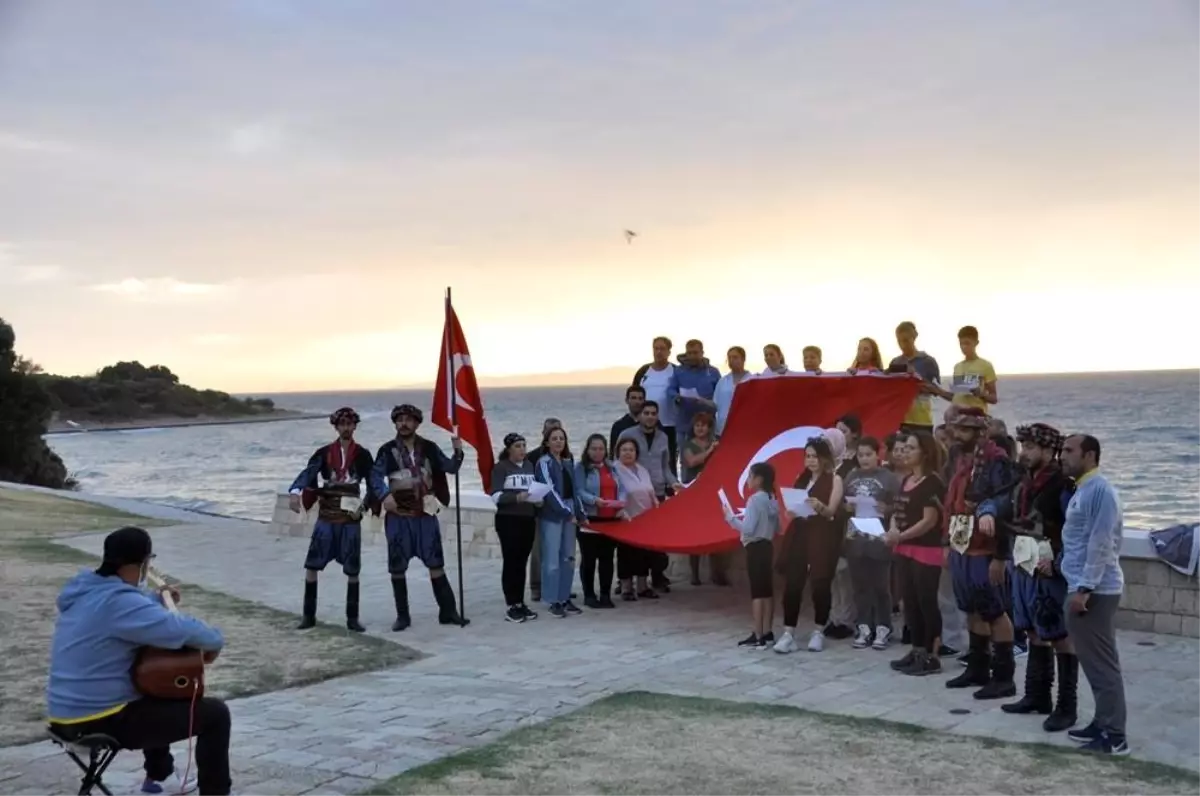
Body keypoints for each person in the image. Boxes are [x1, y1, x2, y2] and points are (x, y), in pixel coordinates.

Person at [47, 527, 230, 796]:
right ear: (143, 564)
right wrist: (215, 637)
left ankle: (159, 777)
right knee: (215, 714)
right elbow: (187, 632)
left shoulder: (86, 589)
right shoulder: (121, 605)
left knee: (155, 692)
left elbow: (126, 606)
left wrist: (155, 598)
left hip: (63, 715)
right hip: (99, 719)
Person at [1001, 423, 1076, 731]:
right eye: (1023, 446)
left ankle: (1066, 706)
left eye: (1031, 447)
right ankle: (1036, 695)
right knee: (1031, 629)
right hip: (1023, 561)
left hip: (1049, 566)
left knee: (1058, 634)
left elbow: (1075, 530)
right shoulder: (1023, 481)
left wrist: (1059, 563)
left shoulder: (1062, 486)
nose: (1025, 452)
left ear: (1048, 450)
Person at [943, 407, 1021, 699]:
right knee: (972, 608)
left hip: (985, 547)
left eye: (964, 430)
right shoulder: (961, 460)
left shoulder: (997, 463)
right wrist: (946, 543)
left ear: (980, 431)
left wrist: (1000, 556)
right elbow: (951, 504)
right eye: (956, 429)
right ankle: (978, 667)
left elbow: (1006, 509)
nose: (956, 435)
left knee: (994, 611)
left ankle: (1004, 677)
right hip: (962, 543)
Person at [1059, 434, 1129, 756]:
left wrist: (1084, 589)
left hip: (1094, 591)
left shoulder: (1100, 491)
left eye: (1069, 451)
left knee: (1103, 666)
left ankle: (1115, 737)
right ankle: (1101, 723)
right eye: (1062, 450)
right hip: (1082, 587)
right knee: (1094, 663)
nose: (1062, 456)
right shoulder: (1083, 490)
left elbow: (1101, 543)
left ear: (1089, 455)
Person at [288, 407, 382, 632]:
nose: (346, 428)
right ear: (336, 426)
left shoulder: (363, 455)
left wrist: (365, 506)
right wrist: (295, 490)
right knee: (312, 565)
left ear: (355, 426)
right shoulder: (323, 453)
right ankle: (308, 616)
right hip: (327, 517)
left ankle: (352, 618)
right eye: (342, 424)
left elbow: (374, 483)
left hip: (350, 518)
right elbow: (309, 473)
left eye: (350, 424)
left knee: (353, 569)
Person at [373, 404, 467, 631]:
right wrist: (385, 495)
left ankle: (448, 612)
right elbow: (375, 476)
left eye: (408, 420)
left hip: (424, 515)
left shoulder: (429, 447)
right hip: (398, 515)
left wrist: (458, 450)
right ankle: (403, 616)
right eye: (400, 420)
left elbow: (450, 468)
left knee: (436, 563)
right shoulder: (387, 450)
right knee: (397, 567)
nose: (403, 424)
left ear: (416, 423)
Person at [775, 437, 845, 654]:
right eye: (808, 456)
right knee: (792, 584)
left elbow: (832, 511)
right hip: (799, 533)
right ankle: (788, 633)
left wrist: (820, 506)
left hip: (822, 534)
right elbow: (794, 506)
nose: (811, 460)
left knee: (820, 583)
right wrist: (792, 510)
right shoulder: (801, 478)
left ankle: (818, 630)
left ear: (825, 458)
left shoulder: (834, 479)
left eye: (815, 456)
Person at [886, 433, 947, 676]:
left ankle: (932, 654)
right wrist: (892, 529)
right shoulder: (907, 480)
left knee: (926, 602)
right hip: (904, 549)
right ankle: (917, 649)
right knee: (909, 602)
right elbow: (897, 509)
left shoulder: (932, 483)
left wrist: (900, 536)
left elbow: (929, 521)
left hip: (925, 550)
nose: (906, 452)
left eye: (911, 448)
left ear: (925, 452)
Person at [842, 436, 901, 650]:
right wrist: (846, 508)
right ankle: (864, 626)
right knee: (860, 585)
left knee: (880, 585)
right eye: (861, 455)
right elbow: (843, 503)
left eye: (869, 454)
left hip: (879, 537)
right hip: (855, 536)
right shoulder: (851, 476)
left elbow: (900, 507)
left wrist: (888, 510)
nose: (864, 459)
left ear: (878, 455)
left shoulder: (889, 478)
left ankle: (883, 626)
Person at [617, 400, 680, 592]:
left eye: (654, 413)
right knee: (628, 543)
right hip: (631, 497)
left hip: (657, 494)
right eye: (647, 413)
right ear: (640, 415)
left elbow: (666, 467)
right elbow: (617, 461)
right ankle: (625, 581)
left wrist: (674, 483)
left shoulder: (662, 437)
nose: (650, 416)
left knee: (655, 542)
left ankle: (657, 577)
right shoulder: (627, 435)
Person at [724, 462, 780, 649]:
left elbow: (748, 529)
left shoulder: (754, 500)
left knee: (757, 592)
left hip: (755, 548)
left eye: (750, 476)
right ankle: (767, 631)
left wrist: (731, 519)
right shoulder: (773, 499)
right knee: (767, 591)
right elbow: (778, 527)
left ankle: (758, 635)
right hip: (768, 546)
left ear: (759, 479)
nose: (748, 480)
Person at [489, 433, 540, 624]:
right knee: (511, 561)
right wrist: (515, 498)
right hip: (508, 519)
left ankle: (520, 602)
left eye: (524, 445)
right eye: (518, 446)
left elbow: (533, 489)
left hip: (527, 518)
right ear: (509, 449)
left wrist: (538, 500)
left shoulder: (529, 466)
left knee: (522, 561)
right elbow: (495, 495)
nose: (522, 450)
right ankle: (511, 604)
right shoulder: (501, 468)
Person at [535, 426, 585, 618]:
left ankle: (564, 597)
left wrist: (579, 512)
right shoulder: (544, 463)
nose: (558, 442)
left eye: (561, 438)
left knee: (569, 557)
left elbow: (574, 490)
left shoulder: (567, 462)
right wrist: (565, 512)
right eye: (554, 438)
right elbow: (549, 490)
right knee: (552, 559)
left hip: (570, 511)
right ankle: (552, 599)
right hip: (553, 515)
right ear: (547, 442)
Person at [575, 433, 626, 609]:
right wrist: (594, 500)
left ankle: (605, 594)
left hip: (610, 519)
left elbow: (622, 488)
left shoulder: (612, 468)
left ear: (606, 450)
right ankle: (589, 594)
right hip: (590, 519)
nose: (597, 452)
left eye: (601, 449)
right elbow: (578, 491)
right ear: (587, 450)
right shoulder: (581, 468)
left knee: (607, 558)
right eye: (594, 448)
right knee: (589, 559)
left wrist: (621, 503)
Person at [683, 411, 729, 586]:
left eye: (703, 425)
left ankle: (717, 573)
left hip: (713, 492)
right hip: (694, 493)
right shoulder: (688, 444)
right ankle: (694, 574)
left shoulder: (717, 443)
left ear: (709, 428)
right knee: (694, 533)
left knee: (716, 531)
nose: (700, 428)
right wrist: (711, 450)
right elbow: (692, 461)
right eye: (697, 425)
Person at [613, 437, 661, 600]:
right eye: (624, 450)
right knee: (626, 553)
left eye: (631, 450)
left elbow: (650, 490)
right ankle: (626, 587)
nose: (628, 453)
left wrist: (656, 504)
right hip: (626, 517)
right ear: (618, 452)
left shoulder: (642, 469)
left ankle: (642, 586)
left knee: (643, 553)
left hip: (645, 518)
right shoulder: (615, 469)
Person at [526, 417, 564, 603]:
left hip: (560, 510)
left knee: (558, 551)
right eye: (550, 432)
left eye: (557, 432)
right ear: (544, 435)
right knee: (538, 551)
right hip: (539, 511)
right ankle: (536, 587)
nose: (554, 436)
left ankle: (556, 586)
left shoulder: (566, 457)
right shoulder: (533, 457)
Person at [632, 336, 679, 473]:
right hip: (645, 425)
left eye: (662, 349)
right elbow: (635, 397)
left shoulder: (676, 371)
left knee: (669, 463)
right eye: (656, 348)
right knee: (644, 460)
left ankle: (670, 492)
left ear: (669, 352)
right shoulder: (643, 372)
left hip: (670, 425)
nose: (659, 352)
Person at [889, 321, 946, 433]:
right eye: (899, 341)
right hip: (901, 419)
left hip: (923, 419)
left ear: (914, 337)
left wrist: (916, 379)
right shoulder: (895, 363)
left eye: (906, 340)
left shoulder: (928, 361)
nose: (902, 345)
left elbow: (936, 391)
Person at [668, 338, 721, 452]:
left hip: (708, 425)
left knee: (709, 460)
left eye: (695, 353)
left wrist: (706, 402)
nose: (692, 356)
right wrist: (676, 397)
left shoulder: (713, 372)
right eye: (689, 353)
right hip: (684, 423)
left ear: (702, 353)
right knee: (685, 461)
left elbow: (720, 396)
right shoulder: (678, 371)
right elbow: (671, 389)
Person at [951, 325, 998, 414]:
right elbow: (956, 395)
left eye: (967, 343)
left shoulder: (985, 365)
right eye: (961, 344)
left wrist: (981, 394)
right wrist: (937, 391)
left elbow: (994, 398)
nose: (964, 347)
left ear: (976, 343)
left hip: (976, 416)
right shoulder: (957, 367)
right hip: (958, 415)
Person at [713, 345, 750, 437]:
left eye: (735, 357)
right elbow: (715, 403)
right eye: (729, 358)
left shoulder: (752, 380)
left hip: (745, 427)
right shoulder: (722, 381)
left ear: (743, 359)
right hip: (723, 428)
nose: (731, 360)